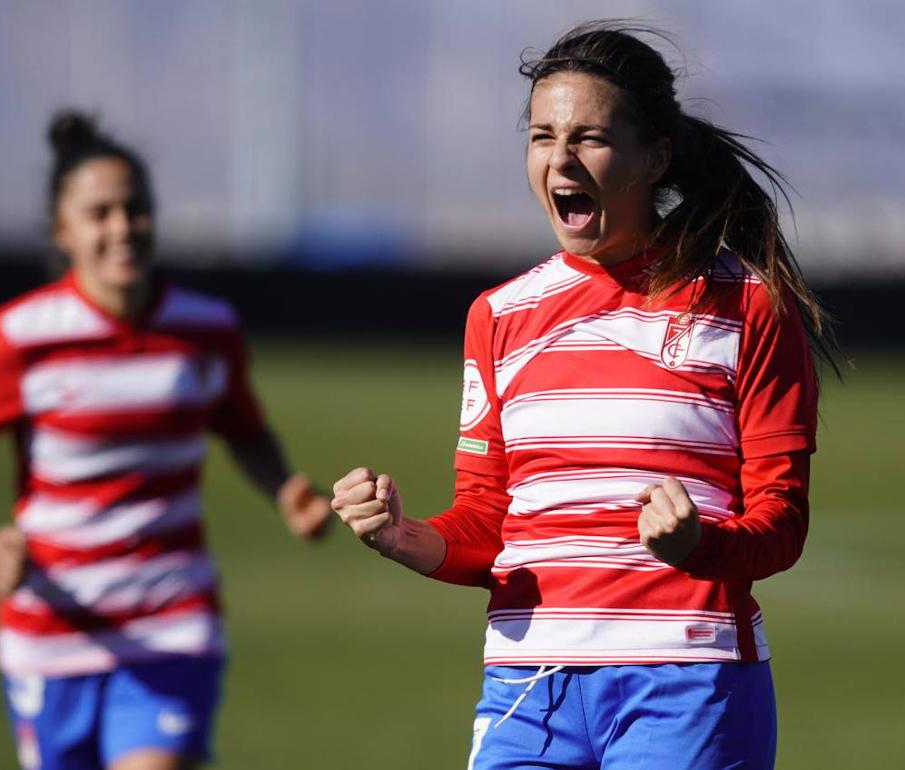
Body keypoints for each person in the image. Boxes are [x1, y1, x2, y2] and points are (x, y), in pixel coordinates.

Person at [331, 22, 837, 770]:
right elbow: (488, 522)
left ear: (654, 155)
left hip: (690, 685)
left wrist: (700, 545)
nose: (560, 159)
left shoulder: (750, 307)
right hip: (523, 688)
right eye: (542, 137)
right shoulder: (498, 317)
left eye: (590, 137)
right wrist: (403, 536)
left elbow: (781, 524)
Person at [0, 111, 332, 770]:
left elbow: (244, 429)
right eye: (99, 213)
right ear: (62, 232)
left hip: (171, 622)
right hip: (50, 635)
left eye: (134, 210)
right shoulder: (20, 337)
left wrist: (285, 490)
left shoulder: (207, 328)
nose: (121, 228)